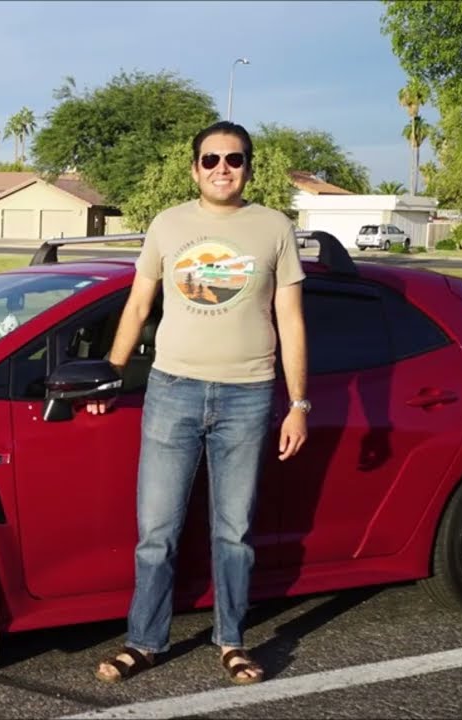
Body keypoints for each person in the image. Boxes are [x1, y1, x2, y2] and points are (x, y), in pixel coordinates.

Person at [91, 120, 309, 686]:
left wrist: (299, 404)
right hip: (172, 390)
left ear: (249, 167)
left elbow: (290, 319)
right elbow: (138, 306)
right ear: (194, 168)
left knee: (233, 533)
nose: (221, 169)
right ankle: (143, 641)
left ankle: (232, 641)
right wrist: (110, 375)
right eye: (210, 159)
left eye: (233, 160)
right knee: (156, 531)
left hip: (248, 395)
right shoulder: (168, 226)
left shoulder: (273, 228)